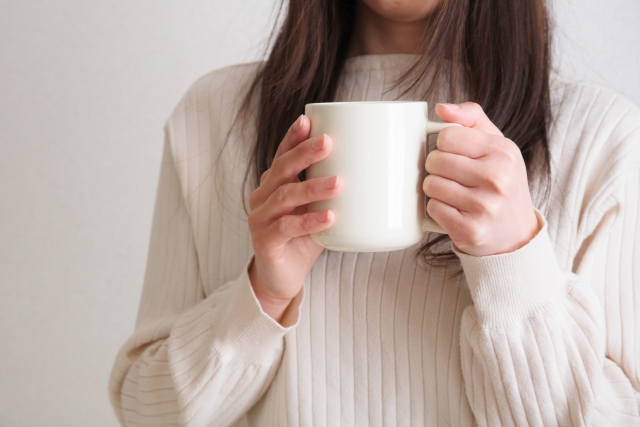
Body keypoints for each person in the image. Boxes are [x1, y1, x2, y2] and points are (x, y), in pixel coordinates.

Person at [109, 0, 640, 425]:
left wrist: (513, 264)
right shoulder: (214, 117)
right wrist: (261, 297)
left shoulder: (602, 139)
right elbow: (146, 412)